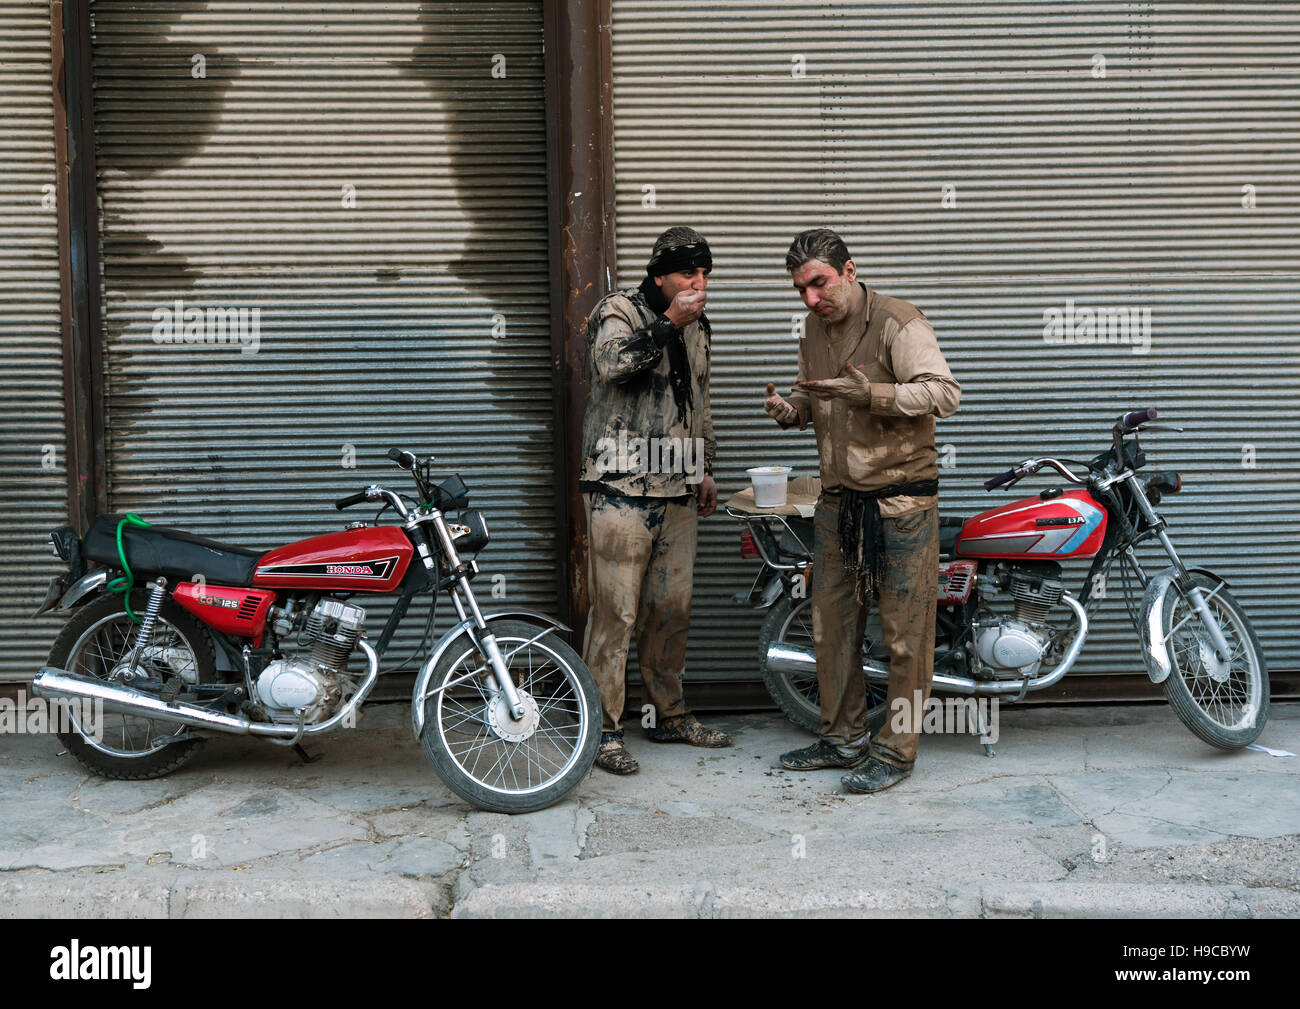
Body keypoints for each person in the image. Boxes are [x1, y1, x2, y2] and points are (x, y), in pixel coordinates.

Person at [764, 227, 960, 793]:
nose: (809, 299)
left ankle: (897, 753)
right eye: (800, 289)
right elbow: (816, 395)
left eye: (819, 284)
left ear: (849, 271)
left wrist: (871, 395)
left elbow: (944, 394)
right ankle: (843, 738)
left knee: (905, 636)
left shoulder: (898, 321)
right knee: (831, 628)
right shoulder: (812, 327)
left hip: (901, 504)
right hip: (837, 505)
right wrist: (791, 409)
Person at [579, 226, 733, 775]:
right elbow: (610, 366)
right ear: (660, 276)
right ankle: (602, 731)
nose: (699, 283)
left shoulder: (699, 327)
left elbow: (700, 398)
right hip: (619, 487)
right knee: (615, 614)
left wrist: (705, 467)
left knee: (672, 609)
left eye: (705, 273)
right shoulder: (618, 310)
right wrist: (670, 324)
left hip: (678, 488)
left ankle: (668, 715)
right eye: (689, 274)